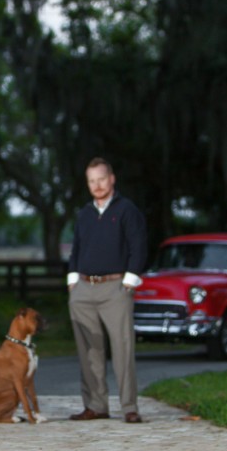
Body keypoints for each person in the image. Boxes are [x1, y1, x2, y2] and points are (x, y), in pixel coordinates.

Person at [66, 157, 148, 424]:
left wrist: (130, 281)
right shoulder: (85, 214)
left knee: (123, 349)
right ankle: (95, 405)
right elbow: (76, 248)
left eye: (101, 179)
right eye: (92, 181)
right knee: (89, 351)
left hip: (115, 288)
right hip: (83, 289)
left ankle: (129, 407)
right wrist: (72, 281)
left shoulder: (126, 210)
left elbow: (139, 246)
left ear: (111, 179)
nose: (97, 185)